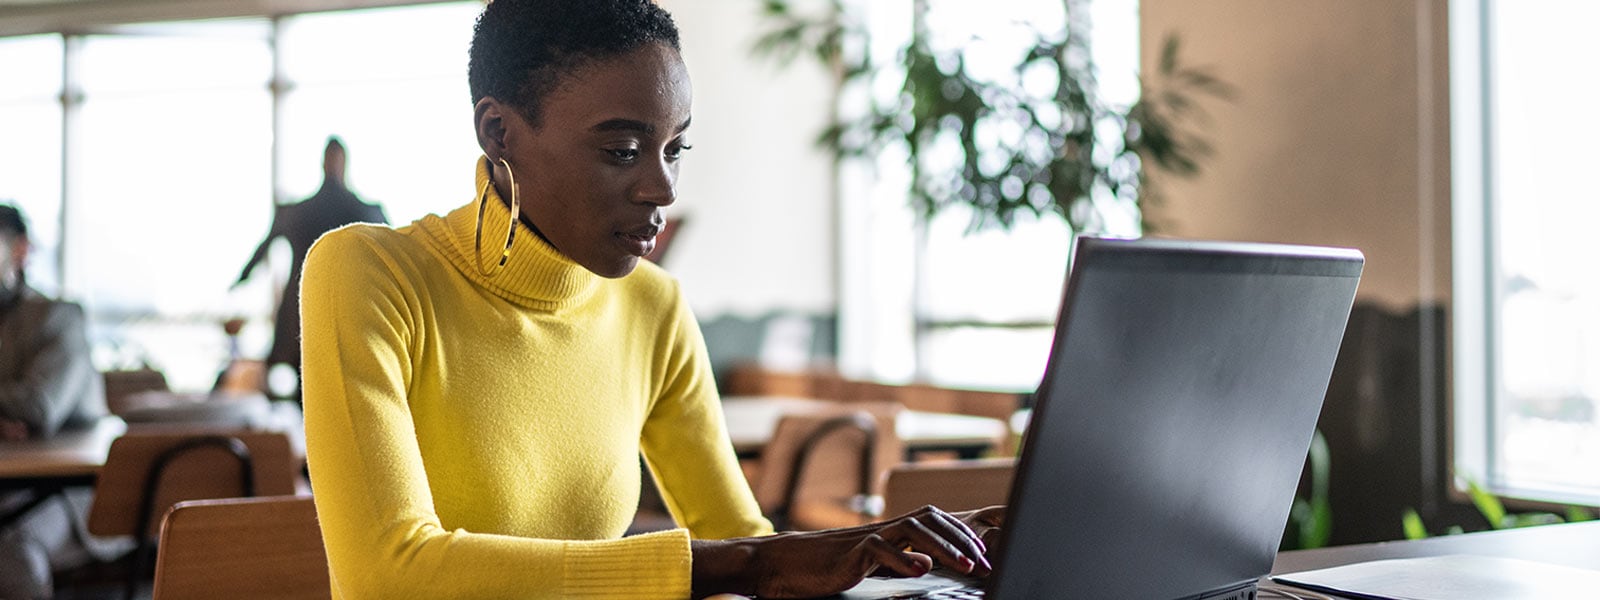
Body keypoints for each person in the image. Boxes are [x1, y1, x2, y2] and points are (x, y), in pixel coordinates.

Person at [298, 1, 1003, 599]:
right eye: (622, 151)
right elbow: (385, 575)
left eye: (675, 150)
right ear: (498, 133)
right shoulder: (369, 272)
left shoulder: (653, 306)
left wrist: (896, 565)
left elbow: (742, 541)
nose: (662, 191)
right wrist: (751, 562)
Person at [0, 203, 120, 599]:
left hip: (71, 492)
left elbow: (36, 408)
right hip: (13, 486)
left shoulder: (57, 317)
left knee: (10, 549)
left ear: (20, 251)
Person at [234, 137, 387, 400]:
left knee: (302, 392)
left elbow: (262, 250)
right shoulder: (365, 211)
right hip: (345, 315)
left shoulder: (297, 212)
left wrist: (240, 281)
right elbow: (390, 256)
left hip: (301, 312)